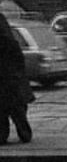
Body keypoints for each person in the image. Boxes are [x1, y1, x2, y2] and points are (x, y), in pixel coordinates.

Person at [0, 12, 33, 145]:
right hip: (11, 78)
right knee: (16, 109)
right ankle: (23, 133)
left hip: (8, 78)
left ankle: (5, 135)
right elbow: (19, 60)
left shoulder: (8, 42)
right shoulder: (10, 41)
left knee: (8, 109)